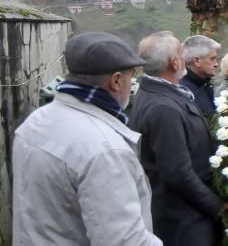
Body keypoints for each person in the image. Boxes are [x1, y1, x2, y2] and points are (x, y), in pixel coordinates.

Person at [13, 32, 160, 246]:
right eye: (131, 76)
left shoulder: (34, 122)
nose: (132, 82)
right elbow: (125, 241)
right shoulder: (105, 149)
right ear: (117, 81)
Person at [130, 31, 226, 246]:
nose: (186, 57)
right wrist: (216, 205)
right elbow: (178, 173)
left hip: (185, 211)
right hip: (185, 218)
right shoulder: (163, 107)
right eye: (182, 53)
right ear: (174, 62)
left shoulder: (158, 92)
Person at [179, 35, 221, 116]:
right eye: (212, 59)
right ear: (197, 61)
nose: (216, 64)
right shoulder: (184, 91)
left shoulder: (204, 84)